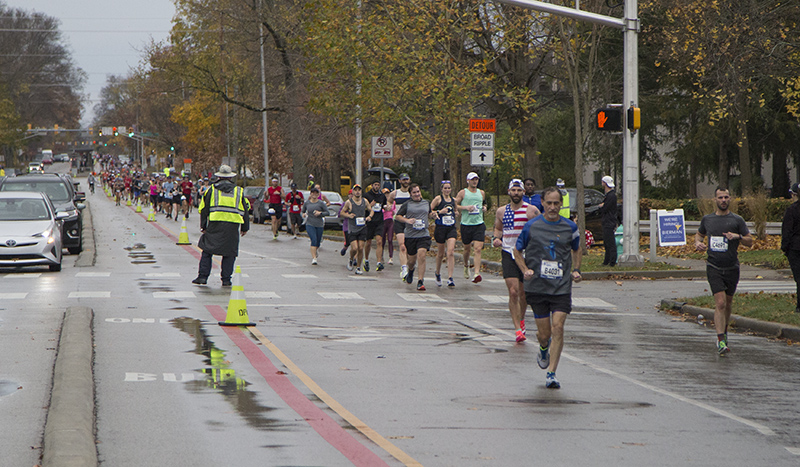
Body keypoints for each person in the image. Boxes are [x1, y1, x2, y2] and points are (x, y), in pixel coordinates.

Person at [514, 186, 582, 389]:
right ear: (542, 203)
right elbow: (517, 251)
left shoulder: (569, 227)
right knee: (544, 334)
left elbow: (577, 249)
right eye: (549, 203)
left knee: (558, 327)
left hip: (561, 286)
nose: (552, 207)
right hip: (537, 286)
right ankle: (544, 347)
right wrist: (525, 269)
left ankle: (552, 372)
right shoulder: (531, 226)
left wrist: (577, 269)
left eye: (556, 203)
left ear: (561, 205)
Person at [694, 186, 753, 355]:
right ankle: (720, 340)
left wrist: (738, 237)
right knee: (719, 303)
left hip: (732, 267)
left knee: (727, 304)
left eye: (726, 197)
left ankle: (724, 333)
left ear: (730, 199)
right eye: (720, 198)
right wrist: (697, 243)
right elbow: (699, 235)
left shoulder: (737, 220)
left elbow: (750, 241)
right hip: (714, 266)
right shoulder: (708, 219)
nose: (723, 200)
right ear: (715, 200)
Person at [493, 179, 540, 342]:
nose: (516, 193)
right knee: (513, 292)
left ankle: (521, 319)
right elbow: (498, 229)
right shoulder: (501, 211)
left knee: (523, 293)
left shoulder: (531, 210)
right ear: (508, 192)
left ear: (523, 193)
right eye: (513, 190)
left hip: (526, 254)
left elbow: (540, 228)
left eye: (519, 190)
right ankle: (517, 329)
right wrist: (496, 239)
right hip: (508, 252)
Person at [192, 165, 250, 286]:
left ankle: (203, 277)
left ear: (218, 176)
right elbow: (245, 209)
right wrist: (245, 228)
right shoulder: (238, 191)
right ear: (230, 177)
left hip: (215, 225)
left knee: (207, 250)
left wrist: (203, 226)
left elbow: (203, 208)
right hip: (232, 226)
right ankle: (226, 279)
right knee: (229, 253)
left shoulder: (211, 190)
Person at [394, 184, 432, 291]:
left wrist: (434, 215)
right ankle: (411, 270)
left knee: (422, 255)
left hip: (423, 234)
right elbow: (398, 216)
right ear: (410, 194)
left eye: (418, 191)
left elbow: (429, 213)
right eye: (414, 192)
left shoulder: (426, 202)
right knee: (411, 260)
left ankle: (420, 281)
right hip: (411, 235)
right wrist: (407, 221)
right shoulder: (407, 204)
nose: (417, 194)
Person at [456, 171, 487, 283]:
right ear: (468, 181)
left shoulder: (481, 193)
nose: (475, 181)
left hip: (479, 224)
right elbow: (455, 205)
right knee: (467, 249)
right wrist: (465, 208)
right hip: (466, 224)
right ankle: (465, 265)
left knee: (478, 249)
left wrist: (484, 208)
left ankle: (477, 273)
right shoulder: (463, 192)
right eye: (473, 179)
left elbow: (484, 203)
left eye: (476, 179)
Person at [431, 180, 458, 287]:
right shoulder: (438, 199)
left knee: (450, 251)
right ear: (441, 189)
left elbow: (456, 210)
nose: (447, 190)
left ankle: (450, 277)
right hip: (440, 228)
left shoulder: (453, 200)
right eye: (445, 188)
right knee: (441, 253)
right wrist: (438, 212)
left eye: (449, 188)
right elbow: (430, 210)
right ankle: (437, 272)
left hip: (451, 228)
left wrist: (456, 213)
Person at [341, 184, 373, 274]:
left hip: (362, 227)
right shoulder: (349, 202)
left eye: (359, 190)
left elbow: (371, 210)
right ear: (353, 192)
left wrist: (369, 216)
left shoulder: (364, 201)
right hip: (352, 228)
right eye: (355, 190)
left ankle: (358, 267)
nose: (357, 191)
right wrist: (348, 215)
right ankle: (351, 259)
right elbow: (342, 213)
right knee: (354, 248)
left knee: (360, 248)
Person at [387, 173, 412, 279]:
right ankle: (404, 269)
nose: (405, 181)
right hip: (399, 222)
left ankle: (409, 266)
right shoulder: (395, 193)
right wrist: (389, 207)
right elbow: (389, 200)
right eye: (403, 180)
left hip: (410, 222)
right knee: (402, 246)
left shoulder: (413, 193)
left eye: (407, 179)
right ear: (399, 181)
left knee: (409, 248)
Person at [782, 183, 800, 314]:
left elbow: (787, 231)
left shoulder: (792, 210)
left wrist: (785, 248)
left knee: (799, 278)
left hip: (795, 248)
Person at [302, 187, 330, 265]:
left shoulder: (321, 203)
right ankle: (314, 258)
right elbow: (303, 211)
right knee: (313, 239)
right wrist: (303, 214)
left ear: (318, 194)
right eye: (312, 193)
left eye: (316, 193)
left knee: (317, 242)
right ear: (310, 194)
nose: (314, 194)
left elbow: (327, 213)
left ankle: (315, 249)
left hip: (319, 224)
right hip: (310, 224)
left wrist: (320, 213)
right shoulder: (307, 203)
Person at [364, 179, 386, 271]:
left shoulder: (382, 196)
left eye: (378, 185)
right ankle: (366, 259)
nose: (376, 186)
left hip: (379, 221)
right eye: (375, 185)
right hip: (370, 221)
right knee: (368, 242)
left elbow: (384, 205)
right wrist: (369, 205)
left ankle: (379, 262)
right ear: (372, 185)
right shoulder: (367, 195)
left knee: (379, 241)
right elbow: (362, 207)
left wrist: (386, 207)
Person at [598, 175, 618, 266]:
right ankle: (607, 260)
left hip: (609, 221)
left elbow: (605, 208)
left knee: (610, 242)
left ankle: (612, 261)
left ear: (605, 183)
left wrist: (602, 206)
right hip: (607, 220)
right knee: (606, 242)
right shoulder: (609, 195)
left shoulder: (611, 196)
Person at [381, 188, 396, 265]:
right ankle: (381, 256)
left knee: (390, 239)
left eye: (387, 194)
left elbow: (395, 212)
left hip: (390, 221)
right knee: (382, 240)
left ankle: (391, 257)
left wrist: (391, 210)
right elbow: (380, 211)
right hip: (383, 221)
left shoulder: (393, 203)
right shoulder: (382, 203)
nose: (386, 195)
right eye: (385, 194)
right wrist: (385, 209)